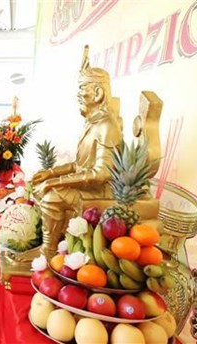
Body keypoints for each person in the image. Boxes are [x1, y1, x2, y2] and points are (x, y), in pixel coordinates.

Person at [31, 48, 123, 258]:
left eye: (83, 89)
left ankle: (49, 251)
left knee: (52, 197)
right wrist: (51, 173)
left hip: (101, 191)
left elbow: (101, 174)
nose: (78, 95)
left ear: (98, 93)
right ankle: (50, 247)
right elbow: (78, 165)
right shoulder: (93, 123)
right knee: (46, 188)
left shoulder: (107, 126)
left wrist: (56, 183)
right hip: (88, 186)